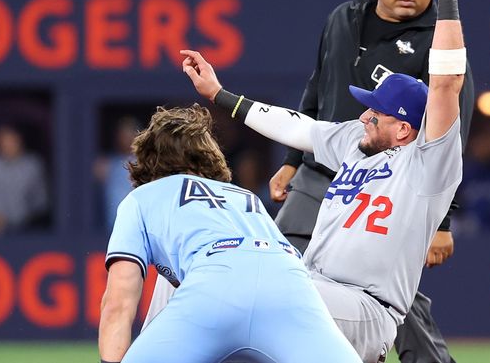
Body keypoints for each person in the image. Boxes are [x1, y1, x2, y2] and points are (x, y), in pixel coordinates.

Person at [179, 0, 476, 359]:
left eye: (376, 111)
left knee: (267, 292)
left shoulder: (426, 168)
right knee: (239, 289)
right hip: (321, 292)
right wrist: (219, 94)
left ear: (406, 130)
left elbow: (447, 84)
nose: (364, 116)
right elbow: (295, 124)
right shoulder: (355, 141)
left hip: (364, 308)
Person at [269, 0, 474, 363]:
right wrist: (292, 161)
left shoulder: (436, 38)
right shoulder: (342, 18)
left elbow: (453, 132)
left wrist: (444, 219)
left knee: (388, 294)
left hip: (386, 184)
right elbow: (316, 86)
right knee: (279, 267)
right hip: (320, 172)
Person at [99, 105, 361, 363]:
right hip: (290, 286)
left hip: (214, 285)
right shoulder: (245, 196)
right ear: (209, 156)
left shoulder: (142, 198)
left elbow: (118, 302)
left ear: (146, 162)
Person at [0, 125, 48, 235]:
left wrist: (23, 219)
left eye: (10, 141)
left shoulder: (33, 165)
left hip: (30, 227)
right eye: (3, 142)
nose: (7, 146)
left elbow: (41, 202)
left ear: (19, 141)